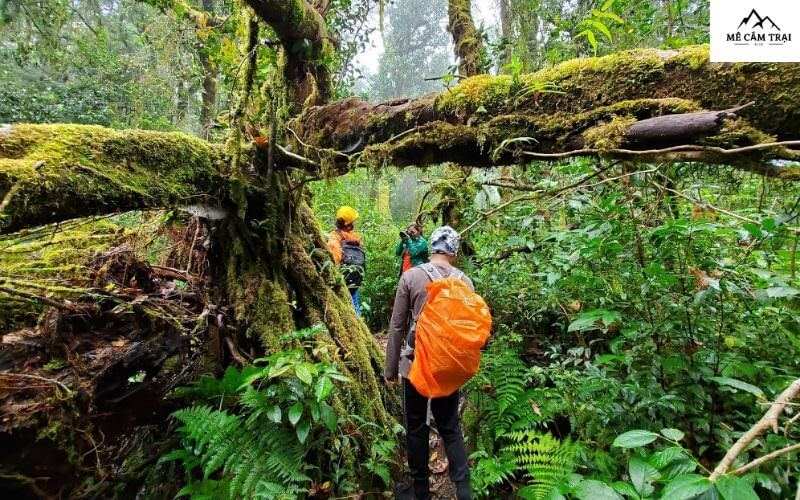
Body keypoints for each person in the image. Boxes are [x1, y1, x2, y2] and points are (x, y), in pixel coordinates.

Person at [385, 226, 472, 500]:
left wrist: (390, 369)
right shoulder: (465, 281)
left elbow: (397, 326)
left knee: (415, 425)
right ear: (454, 252)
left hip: (415, 365)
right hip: (448, 366)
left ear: (432, 247)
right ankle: (464, 490)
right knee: (450, 425)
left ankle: (420, 491)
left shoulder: (411, 276)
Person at [326, 206, 366, 315]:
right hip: (356, 277)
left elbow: (335, 258)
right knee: (355, 303)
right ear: (348, 224)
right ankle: (358, 323)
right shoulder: (355, 238)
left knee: (344, 305)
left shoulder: (335, 236)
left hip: (343, 277)